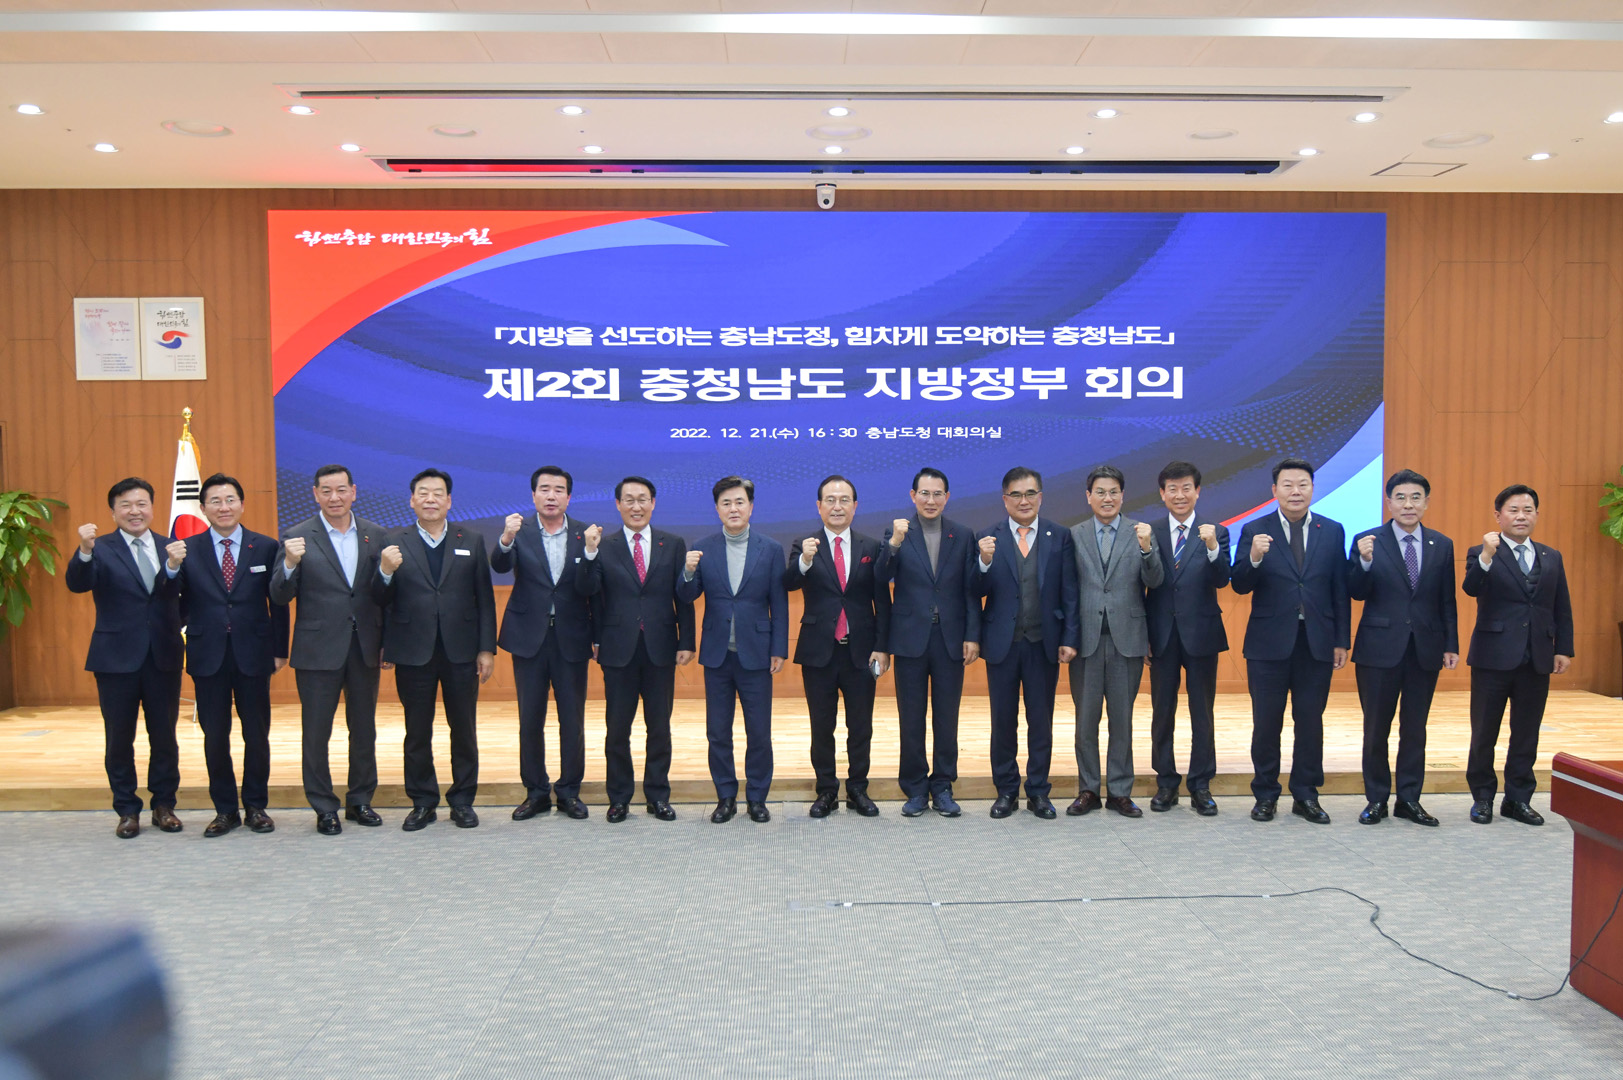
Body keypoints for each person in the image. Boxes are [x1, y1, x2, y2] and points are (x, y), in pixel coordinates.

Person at [164, 473, 289, 838]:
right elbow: (172, 602)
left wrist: (280, 649)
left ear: (242, 504)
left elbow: (278, 602)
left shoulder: (265, 546)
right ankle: (225, 810)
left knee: (257, 734)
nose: (224, 507)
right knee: (215, 735)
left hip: (254, 652)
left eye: (230, 499)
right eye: (215, 501)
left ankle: (256, 806)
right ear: (203, 508)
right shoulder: (187, 549)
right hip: (208, 654)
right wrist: (171, 569)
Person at [371, 468, 496, 831]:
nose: (430, 499)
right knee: (417, 731)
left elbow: (484, 599)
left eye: (438, 493)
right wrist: (384, 571)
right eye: (423, 493)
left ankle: (462, 801)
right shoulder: (393, 541)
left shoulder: (471, 539)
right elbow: (379, 599)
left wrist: (486, 649)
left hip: (461, 650)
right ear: (412, 500)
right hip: (413, 650)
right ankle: (423, 802)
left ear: (449, 501)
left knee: (464, 729)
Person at [1229, 458, 1349, 825]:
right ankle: (1265, 794)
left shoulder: (1332, 530)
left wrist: (1341, 640)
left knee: (1310, 722)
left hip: (1316, 641)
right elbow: (1240, 584)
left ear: (1312, 488)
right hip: (1268, 644)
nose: (1295, 491)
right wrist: (1254, 556)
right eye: (1287, 485)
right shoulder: (1255, 529)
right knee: (1267, 723)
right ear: (1274, 490)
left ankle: (1306, 795)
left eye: (1302, 485)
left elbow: (1339, 589)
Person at [269, 464, 385, 836]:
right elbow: (279, 594)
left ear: (354, 491)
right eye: (326, 491)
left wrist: (387, 642)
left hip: (364, 646)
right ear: (315, 494)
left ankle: (360, 800)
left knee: (363, 729)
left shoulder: (376, 535)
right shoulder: (297, 535)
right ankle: (323, 807)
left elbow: (385, 594)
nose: (335, 498)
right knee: (316, 732)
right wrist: (290, 563)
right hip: (317, 648)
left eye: (341, 490)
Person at [65, 478, 185, 839]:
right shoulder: (99, 548)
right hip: (115, 658)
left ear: (152, 507)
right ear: (113, 511)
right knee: (119, 738)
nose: (135, 511)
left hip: (162, 655)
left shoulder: (171, 547)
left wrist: (174, 567)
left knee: (164, 736)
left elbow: (181, 595)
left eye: (142, 504)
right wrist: (84, 550)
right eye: (126, 505)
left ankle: (164, 806)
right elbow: (77, 583)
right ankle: (127, 810)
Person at [576, 476, 694, 824]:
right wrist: (589, 553)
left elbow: (683, 596)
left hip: (660, 647)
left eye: (643, 499)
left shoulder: (673, 544)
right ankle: (619, 798)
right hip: (617, 649)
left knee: (659, 727)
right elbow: (589, 592)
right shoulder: (604, 545)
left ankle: (658, 796)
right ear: (618, 505)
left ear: (653, 503)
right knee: (617, 729)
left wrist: (687, 640)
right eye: (629, 499)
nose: (636, 506)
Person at [1347, 469, 1458, 827]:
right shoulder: (1367, 540)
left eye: (1415, 497)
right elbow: (1355, 591)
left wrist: (1451, 643)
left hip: (1425, 649)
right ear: (1389, 502)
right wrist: (1364, 562)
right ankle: (1376, 799)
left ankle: (1409, 799)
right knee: (1376, 728)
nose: (1408, 504)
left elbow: (1446, 600)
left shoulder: (1441, 544)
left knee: (1415, 728)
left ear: (1426, 502)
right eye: (1401, 498)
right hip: (1378, 649)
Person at [677, 476, 788, 824]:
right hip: (717, 655)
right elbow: (687, 596)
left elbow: (779, 603)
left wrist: (779, 647)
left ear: (751, 506)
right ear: (717, 509)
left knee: (759, 732)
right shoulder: (703, 547)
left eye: (740, 502)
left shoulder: (770, 549)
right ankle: (725, 797)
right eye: (726, 503)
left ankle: (757, 797)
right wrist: (687, 572)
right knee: (718, 731)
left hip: (757, 653)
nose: (733, 508)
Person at [1463, 484, 1574, 826]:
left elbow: (1561, 605)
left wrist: (1563, 648)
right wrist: (1486, 556)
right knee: (1485, 732)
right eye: (1513, 510)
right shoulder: (1482, 552)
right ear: (1498, 516)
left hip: (1537, 657)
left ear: (1537, 515)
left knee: (1527, 732)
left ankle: (1518, 799)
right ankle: (1482, 797)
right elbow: (1470, 588)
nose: (1521, 516)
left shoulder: (1551, 556)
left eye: (1528, 510)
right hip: (1492, 657)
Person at [490, 466, 596, 822]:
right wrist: (506, 537)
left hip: (572, 637)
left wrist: (591, 553)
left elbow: (593, 588)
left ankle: (569, 792)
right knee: (530, 719)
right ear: (533, 495)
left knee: (572, 720)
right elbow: (499, 565)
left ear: (569, 496)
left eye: (559, 489)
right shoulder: (518, 531)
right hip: (528, 638)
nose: (551, 495)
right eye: (545, 489)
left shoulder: (585, 533)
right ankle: (536, 793)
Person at [972, 467, 1078, 820]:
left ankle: (1038, 792)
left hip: (1043, 643)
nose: (1024, 501)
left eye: (1030, 493)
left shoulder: (1059, 536)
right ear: (1005, 499)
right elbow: (974, 591)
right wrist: (983, 562)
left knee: (1040, 721)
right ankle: (1006, 791)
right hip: (1001, 644)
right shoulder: (987, 538)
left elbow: (1069, 591)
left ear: (1041, 497)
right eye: (1016, 495)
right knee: (1003, 721)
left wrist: (1069, 637)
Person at [785, 474, 891, 818]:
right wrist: (804, 561)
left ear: (855, 506)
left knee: (861, 726)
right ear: (819, 506)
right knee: (822, 726)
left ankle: (858, 789)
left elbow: (881, 601)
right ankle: (826, 791)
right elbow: (788, 582)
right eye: (830, 500)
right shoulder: (805, 545)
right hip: (819, 651)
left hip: (861, 651)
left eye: (844, 500)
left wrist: (882, 646)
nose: (837, 506)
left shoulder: (870, 548)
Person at [878, 467, 980, 818]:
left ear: (947, 497)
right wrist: (893, 543)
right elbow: (880, 577)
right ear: (913, 496)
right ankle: (916, 788)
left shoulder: (962, 535)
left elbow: (970, 590)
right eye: (924, 493)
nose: (931, 500)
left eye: (938, 494)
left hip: (950, 638)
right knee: (911, 718)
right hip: (910, 638)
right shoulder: (897, 533)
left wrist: (972, 635)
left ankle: (943, 786)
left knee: (946, 717)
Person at [1067, 465, 1163, 818]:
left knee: (1122, 721)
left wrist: (1147, 549)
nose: (1107, 498)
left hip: (1128, 640)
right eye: (1100, 492)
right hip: (1086, 641)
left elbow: (1155, 580)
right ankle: (1088, 789)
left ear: (1122, 495)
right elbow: (1066, 589)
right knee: (1085, 722)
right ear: (1088, 496)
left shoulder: (1140, 533)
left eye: (1113, 492)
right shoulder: (1073, 535)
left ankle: (1121, 792)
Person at [1143, 461, 1230, 817]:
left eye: (1186, 488)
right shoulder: (1149, 532)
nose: (1180, 495)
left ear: (1198, 491)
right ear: (1162, 493)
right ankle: (1166, 782)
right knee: (1162, 712)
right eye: (1172, 489)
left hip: (1202, 635)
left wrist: (1212, 547)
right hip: (1161, 636)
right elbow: (1141, 585)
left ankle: (1201, 784)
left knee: (1202, 713)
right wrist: (1144, 636)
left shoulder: (1216, 532)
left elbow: (1222, 578)